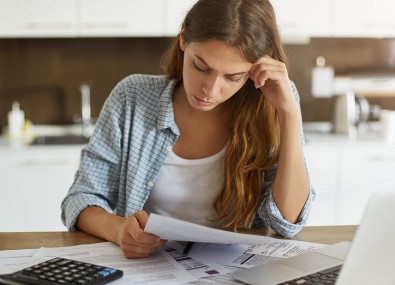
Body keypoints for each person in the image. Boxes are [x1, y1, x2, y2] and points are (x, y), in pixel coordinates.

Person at [61, 0, 315, 259]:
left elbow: (287, 220)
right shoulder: (132, 97)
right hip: (150, 268)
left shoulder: (273, 104)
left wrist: (289, 112)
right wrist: (118, 230)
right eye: (201, 67)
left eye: (233, 77)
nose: (211, 90)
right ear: (183, 37)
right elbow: (81, 198)